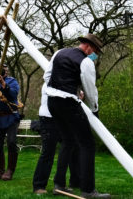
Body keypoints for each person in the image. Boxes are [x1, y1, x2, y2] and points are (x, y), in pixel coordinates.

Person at [46, 34, 109, 198]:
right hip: (68, 103)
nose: (95, 54)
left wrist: (70, 90)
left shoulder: (59, 53)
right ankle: (88, 190)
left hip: (52, 102)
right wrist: (95, 109)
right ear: (89, 47)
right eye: (95, 51)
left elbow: (48, 77)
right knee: (87, 144)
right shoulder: (86, 62)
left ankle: (59, 184)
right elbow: (90, 89)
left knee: (68, 141)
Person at [32, 66, 80, 194]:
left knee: (70, 149)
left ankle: (63, 185)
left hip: (61, 119)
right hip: (49, 119)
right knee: (48, 152)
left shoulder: (62, 81)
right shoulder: (50, 82)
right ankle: (38, 186)